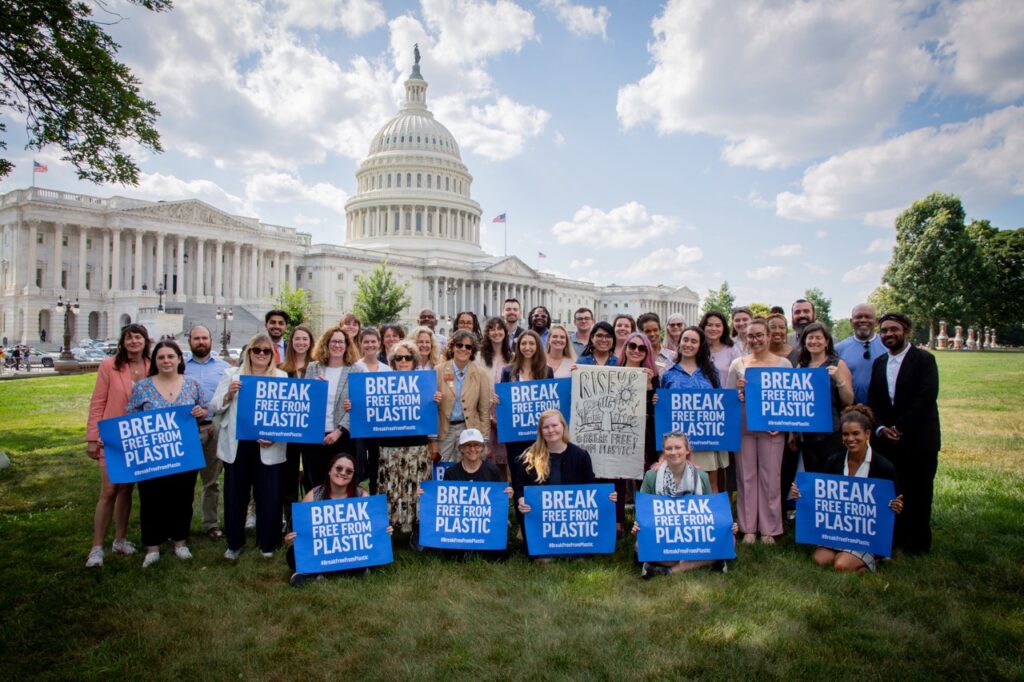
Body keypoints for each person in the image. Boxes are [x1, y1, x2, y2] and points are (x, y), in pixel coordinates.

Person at [791, 405, 904, 573]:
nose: (850, 439)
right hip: (838, 531)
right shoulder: (834, 461)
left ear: (867, 434)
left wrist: (895, 507)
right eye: (846, 434)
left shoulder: (884, 467)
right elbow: (821, 496)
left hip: (865, 537)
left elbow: (892, 505)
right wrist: (801, 494)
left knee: (841, 565)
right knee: (820, 559)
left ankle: (871, 561)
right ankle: (848, 556)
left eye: (856, 433)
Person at [127, 340, 208, 567]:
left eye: (170, 357)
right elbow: (131, 416)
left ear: (179, 359)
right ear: (155, 361)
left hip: (185, 453)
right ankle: (152, 546)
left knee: (182, 497)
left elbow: (203, 409)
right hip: (153, 456)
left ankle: (180, 542)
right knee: (151, 498)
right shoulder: (142, 387)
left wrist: (201, 412)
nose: (166, 361)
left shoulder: (192, 384)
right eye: (161, 357)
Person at [868, 312, 940, 554]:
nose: (889, 334)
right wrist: (879, 428)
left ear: (906, 331)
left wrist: (900, 427)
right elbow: (874, 400)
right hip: (887, 441)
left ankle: (919, 542)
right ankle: (895, 536)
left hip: (919, 440)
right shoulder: (879, 363)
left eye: (894, 329)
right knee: (892, 490)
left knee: (919, 491)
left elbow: (926, 397)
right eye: (885, 331)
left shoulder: (924, 359)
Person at [212, 333, 287, 560]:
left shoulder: (281, 377)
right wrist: (229, 395)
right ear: (249, 353)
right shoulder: (232, 375)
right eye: (257, 350)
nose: (262, 354)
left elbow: (286, 415)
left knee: (269, 495)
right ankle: (234, 542)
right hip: (238, 444)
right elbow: (214, 406)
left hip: (267, 445)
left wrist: (274, 436)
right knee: (236, 494)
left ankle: (268, 542)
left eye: (266, 351)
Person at [84, 323, 151, 567]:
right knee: (109, 490)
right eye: (129, 338)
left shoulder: (150, 366)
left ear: (146, 341)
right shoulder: (109, 366)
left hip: (140, 438)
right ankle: (96, 547)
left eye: (138, 337)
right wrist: (92, 436)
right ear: (122, 342)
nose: (134, 341)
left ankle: (120, 539)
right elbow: (98, 402)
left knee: (126, 490)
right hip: (112, 437)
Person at [512, 410, 616, 557]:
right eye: (546, 427)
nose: (551, 430)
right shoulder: (529, 457)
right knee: (544, 561)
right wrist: (521, 499)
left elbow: (590, 486)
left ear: (563, 427)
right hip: (542, 522)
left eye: (554, 425)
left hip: (573, 523)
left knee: (579, 559)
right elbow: (519, 486)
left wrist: (607, 497)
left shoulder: (580, 455)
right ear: (540, 431)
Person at [633, 431, 735, 578]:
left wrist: (728, 526)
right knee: (639, 546)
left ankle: (666, 569)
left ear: (687, 450)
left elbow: (710, 514)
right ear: (664, 451)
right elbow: (643, 513)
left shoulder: (701, 477)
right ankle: (710, 561)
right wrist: (638, 526)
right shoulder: (651, 477)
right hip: (665, 535)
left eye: (678, 447)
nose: (673, 452)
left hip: (693, 536)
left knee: (730, 540)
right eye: (669, 448)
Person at [726, 318, 791, 544]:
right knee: (746, 477)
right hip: (744, 425)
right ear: (745, 338)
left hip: (772, 428)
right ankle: (748, 528)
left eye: (759, 335)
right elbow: (729, 399)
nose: (755, 340)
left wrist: (782, 425)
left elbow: (789, 399)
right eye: (750, 336)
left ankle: (770, 529)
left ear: (768, 335)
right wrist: (739, 391)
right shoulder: (738, 363)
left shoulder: (783, 364)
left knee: (770, 477)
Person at [284, 452, 392, 586]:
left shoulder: (362, 496)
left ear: (353, 476)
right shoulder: (313, 495)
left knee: (374, 550)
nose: (343, 473)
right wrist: (291, 539)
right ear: (329, 471)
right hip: (323, 550)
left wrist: (385, 531)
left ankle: (317, 573)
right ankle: (351, 570)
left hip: (349, 551)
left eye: (349, 471)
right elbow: (300, 532)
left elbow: (374, 530)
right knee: (292, 554)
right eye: (339, 468)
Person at [378, 340, 440, 535]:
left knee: (417, 489)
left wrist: (434, 402)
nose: (403, 361)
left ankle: (417, 530)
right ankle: (391, 529)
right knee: (392, 487)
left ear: (414, 360)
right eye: (398, 358)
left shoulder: (425, 383)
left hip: (417, 446)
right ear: (392, 361)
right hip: (390, 447)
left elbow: (431, 417)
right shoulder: (382, 384)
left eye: (407, 357)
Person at [662, 326, 729, 492]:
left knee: (709, 482)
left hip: (706, 437)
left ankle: (711, 517)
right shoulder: (669, 374)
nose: (688, 344)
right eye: (685, 340)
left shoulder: (711, 372)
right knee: (680, 482)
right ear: (679, 343)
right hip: (678, 440)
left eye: (694, 341)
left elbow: (720, 401)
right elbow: (664, 406)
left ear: (700, 346)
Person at [185, 325, 231, 539]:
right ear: (190, 341)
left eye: (204, 338)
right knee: (183, 481)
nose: (201, 342)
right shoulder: (180, 367)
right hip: (185, 431)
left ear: (211, 340)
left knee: (211, 481)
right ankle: (179, 524)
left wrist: (212, 416)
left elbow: (228, 401)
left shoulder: (224, 368)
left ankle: (211, 523)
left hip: (212, 428)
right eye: (197, 338)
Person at [790, 322, 854, 473]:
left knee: (832, 474)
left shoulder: (838, 364)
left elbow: (849, 401)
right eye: (810, 338)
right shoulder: (801, 367)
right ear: (804, 342)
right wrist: (792, 433)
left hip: (831, 432)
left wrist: (839, 379)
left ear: (827, 341)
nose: (814, 341)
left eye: (818, 338)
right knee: (812, 476)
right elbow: (794, 402)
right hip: (807, 434)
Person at [304, 326, 358, 489]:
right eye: (333, 341)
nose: (337, 345)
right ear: (326, 344)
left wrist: (339, 431)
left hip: (343, 437)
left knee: (342, 484)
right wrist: (312, 387)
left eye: (341, 342)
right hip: (315, 435)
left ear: (347, 345)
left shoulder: (355, 370)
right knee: (317, 482)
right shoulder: (313, 368)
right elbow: (304, 400)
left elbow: (356, 406)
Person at [499, 330, 554, 473]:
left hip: (539, 432)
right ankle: (519, 495)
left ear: (537, 347)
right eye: (523, 343)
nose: (527, 347)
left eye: (531, 343)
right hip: (515, 432)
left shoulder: (547, 372)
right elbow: (505, 402)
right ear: (518, 347)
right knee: (517, 469)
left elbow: (551, 401)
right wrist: (498, 400)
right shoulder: (508, 372)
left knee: (539, 470)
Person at [434, 329, 491, 462]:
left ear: (472, 351)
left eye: (468, 346)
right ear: (452, 347)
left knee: (467, 468)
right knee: (441, 468)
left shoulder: (480, 373)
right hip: (445, 429)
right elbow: (432, 408)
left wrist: (485, 438)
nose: (463, 349)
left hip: (469, 428)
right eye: (459, 345)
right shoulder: (438, 370)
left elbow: (484, 410)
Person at [279, 323, 315, 531]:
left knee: (311, 478)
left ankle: (309, 521)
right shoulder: (282, 370)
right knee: (289, 478)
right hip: (289, 433)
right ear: (291, 343)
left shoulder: (318, 367)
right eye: (297, 339)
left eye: (305, 339)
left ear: (310, 343)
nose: (301, 343)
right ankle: (290, 521)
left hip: (311, 432)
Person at [478, 317, 513, 480]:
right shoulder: (479, 357)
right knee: (483, 458)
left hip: (505, 415)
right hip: (484, 414)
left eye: (500, 329)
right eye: (492, 329)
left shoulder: (513, 357)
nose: (496, 332)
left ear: (505, 333)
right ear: (487, 333)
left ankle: (504, 500)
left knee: (503, 462)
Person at [835, 303, 886, 405]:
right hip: (850, 410)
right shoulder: (838, 349)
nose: (863, 320)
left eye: (868, 317)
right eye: (858, 317)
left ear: (876, 321)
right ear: (851, 322)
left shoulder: (888, 346)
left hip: (883, 409)